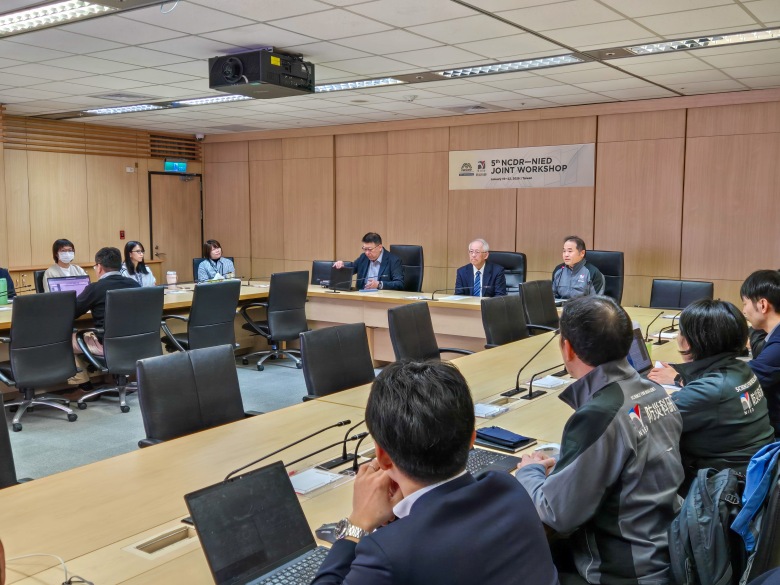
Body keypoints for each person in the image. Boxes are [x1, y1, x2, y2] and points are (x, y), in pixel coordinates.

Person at [312, 360, 558, 585]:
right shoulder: (508, 487)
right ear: (472, 439)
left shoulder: (388, 554)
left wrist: (358, 523)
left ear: (382, 457)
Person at [515, 296, 684, 585]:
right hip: (667, 546)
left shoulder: (599, 415)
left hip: (628, 570)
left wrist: (529, 472)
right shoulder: (654, 390)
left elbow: (557, 513)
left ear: (567, 348)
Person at [648, 300, 774, 488]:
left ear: (689, 341)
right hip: (753, 473)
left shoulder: (710, 391)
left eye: (681, 331)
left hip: (721, 487)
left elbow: (647, 423)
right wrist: (680, 377)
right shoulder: (742, 369)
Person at [69, 247, 139, 386]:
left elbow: (72, 312)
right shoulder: (135, 284)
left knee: (66, 340)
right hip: (138, 343)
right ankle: (113, 379)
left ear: (99, 267)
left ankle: (84, 385)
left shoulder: (96, 288)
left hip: (108, 347)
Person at [740, 270, 780, 436]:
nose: (744, 311)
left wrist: (680, 377)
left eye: (745, 303)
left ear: (762, 305)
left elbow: (740, 382)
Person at [332, 232, 404, 291]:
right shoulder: (363, 257)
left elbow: (399, 284)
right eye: (365, 249)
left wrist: (379, 284)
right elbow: (352, 268)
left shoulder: (394, 260)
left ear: (380, 247)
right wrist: (342, 265)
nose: (367, 253)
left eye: (370, 249)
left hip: (382, 298)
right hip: (362, 297)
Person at [551, 236, 605, 300]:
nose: (566, 255)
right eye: (564, 251)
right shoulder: (559, 270)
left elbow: (596, 301)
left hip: (583, 306)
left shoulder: (593, 273)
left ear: (582, 253)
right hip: (561, 306)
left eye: (570, 251)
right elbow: (552, 296)